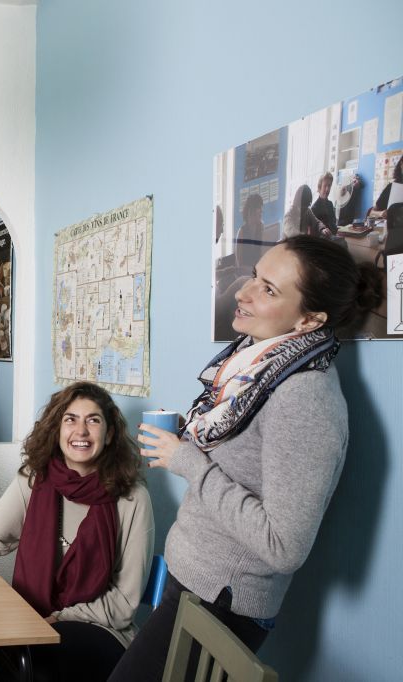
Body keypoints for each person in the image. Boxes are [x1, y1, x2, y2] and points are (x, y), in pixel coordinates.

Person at [109, 236, 383, 682]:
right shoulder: (256, 365)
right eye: (255, 276)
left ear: (310, 319)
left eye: (269, 289)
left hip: (223, 602)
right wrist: (192, 440)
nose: (243, 291)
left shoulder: (305, 397)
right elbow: (243, 455)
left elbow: (285, 546)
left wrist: (190, 463)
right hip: (194, 583)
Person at [0, 382, 154, 682]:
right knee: (24, 661)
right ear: (57, 430)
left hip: (103, 630)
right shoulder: (35, 480)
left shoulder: (132, 498)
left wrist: (57, 619)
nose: (80, 431)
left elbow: (123, 603)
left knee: (33, 666)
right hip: (34, 622)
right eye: (70, 419)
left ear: (109, 435)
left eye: (93, 420)